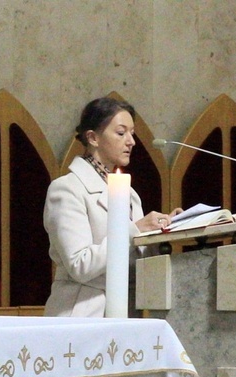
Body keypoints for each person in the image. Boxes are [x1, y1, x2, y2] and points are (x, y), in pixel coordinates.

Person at [43, 97, 181, 317]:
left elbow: (136, 258)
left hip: (127, 310)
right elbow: (80, 265)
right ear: (93, 137)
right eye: (121, 133)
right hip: (83, 312)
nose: (131, 141)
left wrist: (165, 230)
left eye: (132, 133)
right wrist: (136, 229)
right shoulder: (67, 189)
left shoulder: (130, 194)